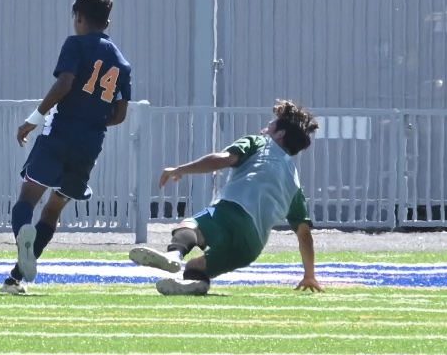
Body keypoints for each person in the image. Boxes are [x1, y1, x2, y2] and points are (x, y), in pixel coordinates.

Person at [3, 0, 131, 295]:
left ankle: (23, 235)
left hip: (60, 133)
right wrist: (94, 120)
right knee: (53, 211)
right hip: (90, 143)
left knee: (28, 198)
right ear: (108, 22)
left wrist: (34, 118)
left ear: (79, 17)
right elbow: (120, 114)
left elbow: (65, 82)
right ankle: (15, 279)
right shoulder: (122, 63)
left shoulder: (76, 44)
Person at [131, 99, 323, 296]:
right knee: (195, 268)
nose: (263, 130)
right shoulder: (295, 182)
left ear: (280, 134)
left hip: (232, 210)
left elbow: (222, 159)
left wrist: (180, 169)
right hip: (251, 246)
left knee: (189, 225)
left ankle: (173, 254)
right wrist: (310, 274)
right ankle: (196, 285)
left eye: (269, 127)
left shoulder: (260, 143)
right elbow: (304, 234)